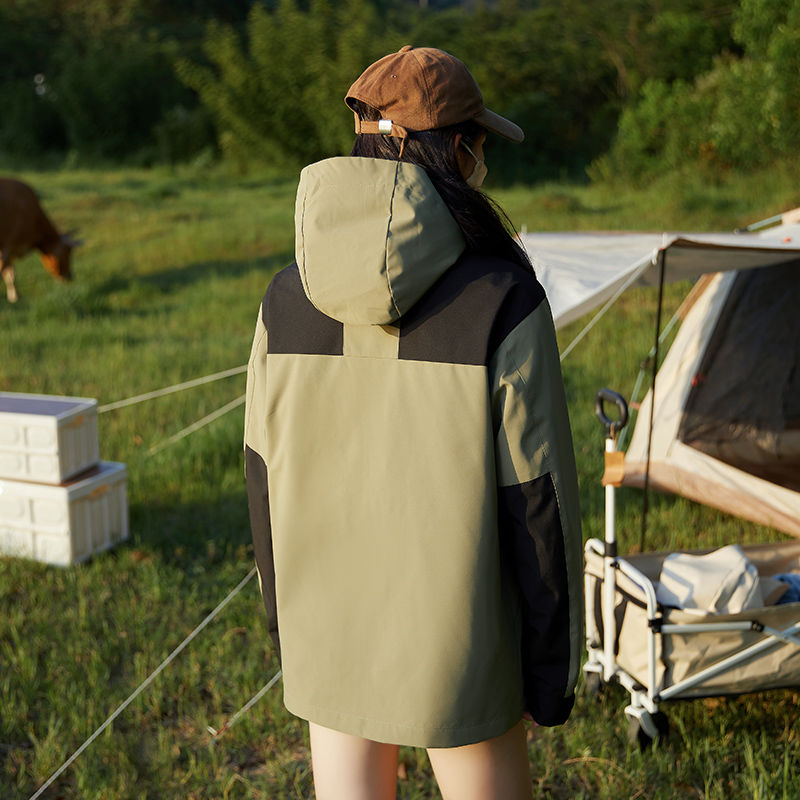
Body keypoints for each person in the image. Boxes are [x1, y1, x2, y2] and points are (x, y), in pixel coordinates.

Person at [244, 45, 583, 800]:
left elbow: (261, 480)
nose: (483, 157)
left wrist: (284, 626)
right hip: (461, 653)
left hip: (325, 634)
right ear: (456, 150)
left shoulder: (282, 298)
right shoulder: (503, 300)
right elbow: (538, 502)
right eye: (480, 141)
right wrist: (550, 670)